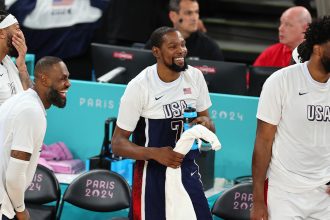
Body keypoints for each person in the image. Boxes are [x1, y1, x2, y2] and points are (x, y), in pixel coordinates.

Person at [112, 26, 215, 220]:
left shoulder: (195, 76)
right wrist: (155, 153)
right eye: (173, 46)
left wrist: (206, 123)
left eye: (183, 44)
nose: (181, 50)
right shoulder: (140, 86)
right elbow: (117, 144)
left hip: (187, 169)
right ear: (156, 52)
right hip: (151, 175)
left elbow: (209, 125)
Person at [251, 16, 330, 220]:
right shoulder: (280, 82)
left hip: (324, 194)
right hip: (284, 192)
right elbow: (262, 143)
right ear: (318, 49)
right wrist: (258, 201)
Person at [0, 56, 71, 220]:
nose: (68, 84)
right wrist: (21, 210)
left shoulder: (22, 101)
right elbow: (14, 176)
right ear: (44, 80)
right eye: (63, 79)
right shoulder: (31, 112)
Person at [145, 0, 224, 61]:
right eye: (189, 13)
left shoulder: (210, 48)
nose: (194, 18)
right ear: (173, 16)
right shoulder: (156, 43)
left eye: (196, 12)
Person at [0, 10, 32, 105]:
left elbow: (31, 98)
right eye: (17, 28)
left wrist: (22, 66)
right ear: (1, 33)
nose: (21, 34)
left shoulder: (7, 61)